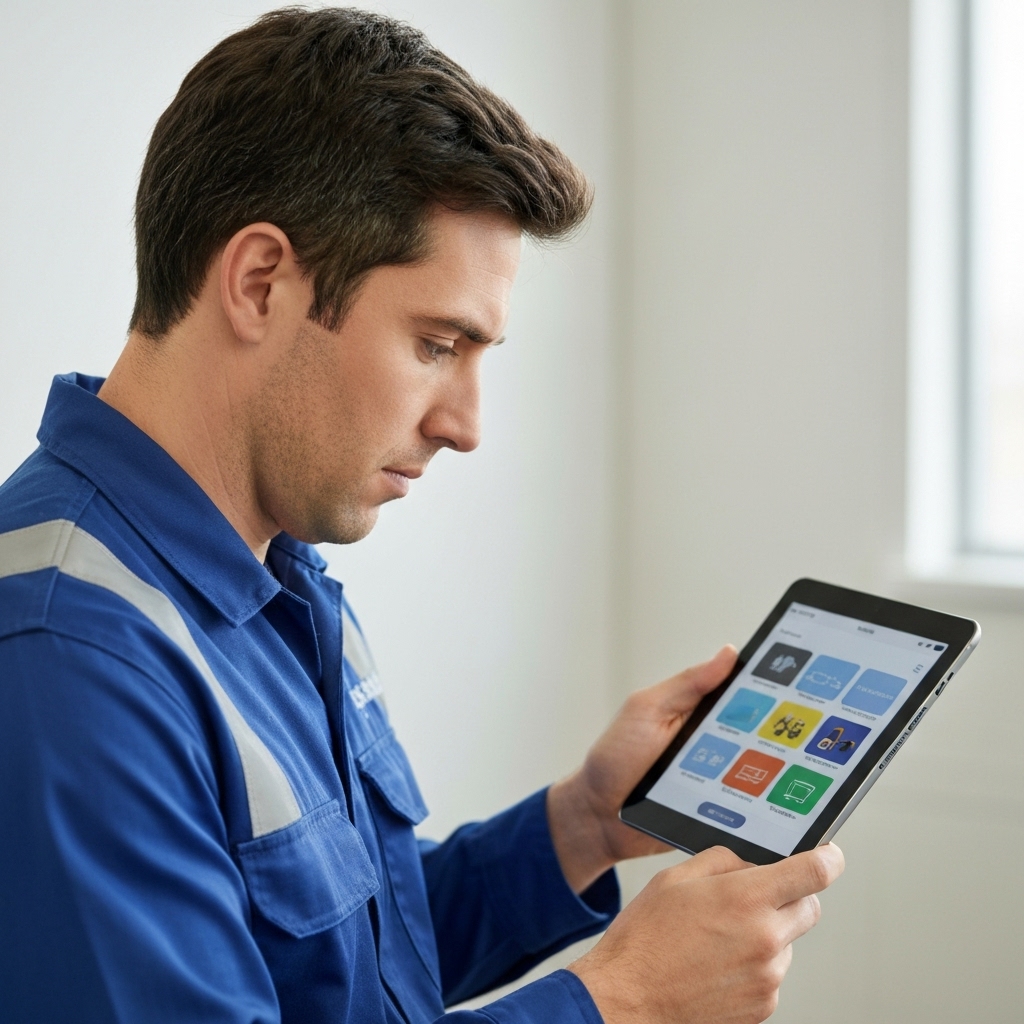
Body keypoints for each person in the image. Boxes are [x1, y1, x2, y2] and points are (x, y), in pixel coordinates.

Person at [0, 8, 843, 1023]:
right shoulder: (67, 655)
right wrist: (620, 1001)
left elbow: (346, 975)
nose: (465, 424)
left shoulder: (280, 579)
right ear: (261, 283)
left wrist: (580, 821)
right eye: (438, 344)